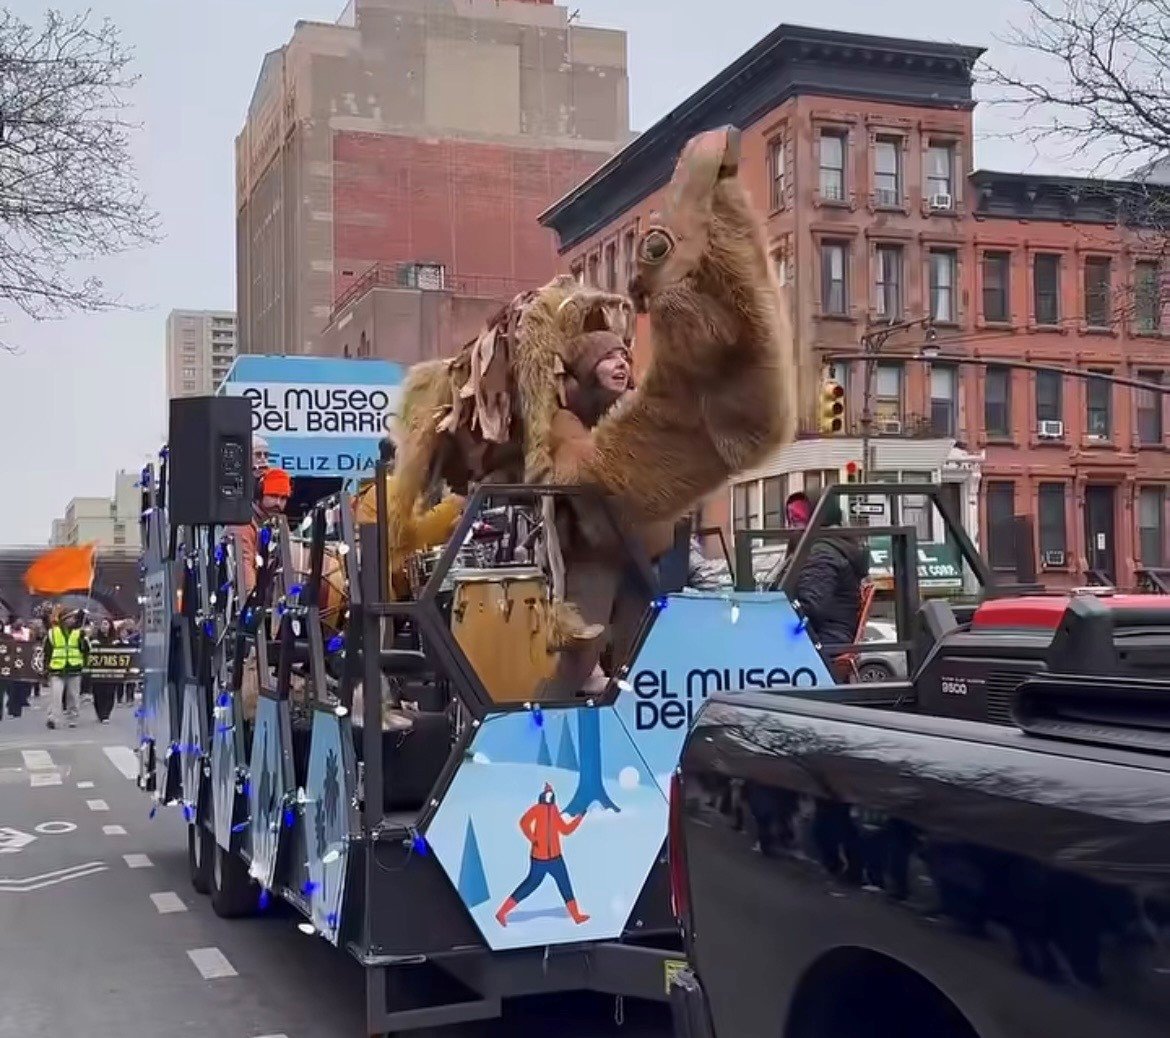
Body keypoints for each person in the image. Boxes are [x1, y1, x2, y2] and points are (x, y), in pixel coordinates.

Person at [792, 493, 868, 651]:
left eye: (798, 519)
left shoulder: (822, 552)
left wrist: (771, 622)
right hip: (823, 635)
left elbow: (810, 607)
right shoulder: (824, 547)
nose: (791, 527)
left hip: (822, 639)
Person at [44, 609, 88, 729]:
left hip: (74, 668)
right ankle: (52, 718)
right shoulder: (52, 633)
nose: (72, 620)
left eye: (73, 618)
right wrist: (46, 667)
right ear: (63, 620)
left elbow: (86, 650)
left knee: (73, 695)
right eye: (69, 618)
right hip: (57, 669)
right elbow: (47, 650)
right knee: (56, 696)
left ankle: (73, 717)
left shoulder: (79, 633)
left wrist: (83, 640)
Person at [89, 618, 118, 724]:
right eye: (102, 624)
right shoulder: (95, 639)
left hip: (111, 672)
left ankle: (106, 714)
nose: (103, 626)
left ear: (110, 626)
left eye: (105, 624)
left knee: (110, 693)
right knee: (98, 693)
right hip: (98, 672)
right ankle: (100, 713)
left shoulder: (115, 640)